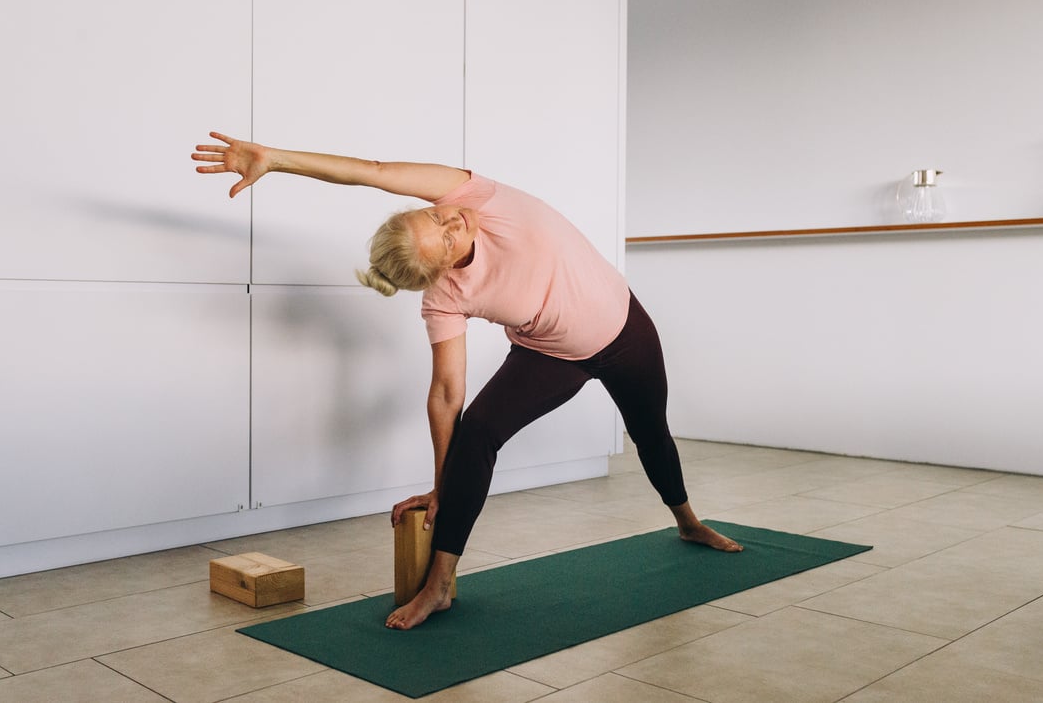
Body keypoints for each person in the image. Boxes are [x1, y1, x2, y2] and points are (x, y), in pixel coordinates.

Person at [191, 131, 742, 631]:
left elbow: (372, 170)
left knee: (650, 433)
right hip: (551, 354)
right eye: (445, 239)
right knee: (475, 429)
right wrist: (443, 484)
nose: (451, 222)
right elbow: (446, 394)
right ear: (442, 272)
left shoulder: (474, 197)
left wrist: (277, 159)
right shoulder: (445, 299)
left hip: (625, 333)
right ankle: (440, 586)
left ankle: (687, 520)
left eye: (432, 218)